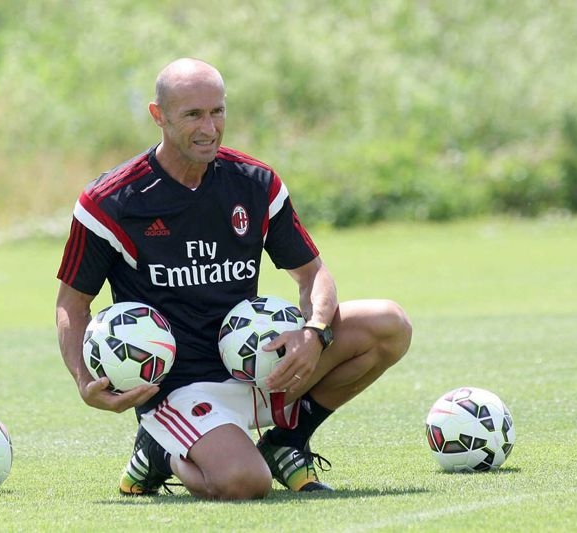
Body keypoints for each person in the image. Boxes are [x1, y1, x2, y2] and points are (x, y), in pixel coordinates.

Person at [55, 58, 412, 500]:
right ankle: (160, 449)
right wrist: (82, 379)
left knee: (388, 324)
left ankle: (287, 442)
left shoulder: (254, 183)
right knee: (245, 483)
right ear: (158, 115)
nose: (209, 128)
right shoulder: (110, 202)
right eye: (193, 115)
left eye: (217, 111)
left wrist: (314, 331)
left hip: (257, 366)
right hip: (178, 387)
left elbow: (313, 274)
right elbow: (72, 304)